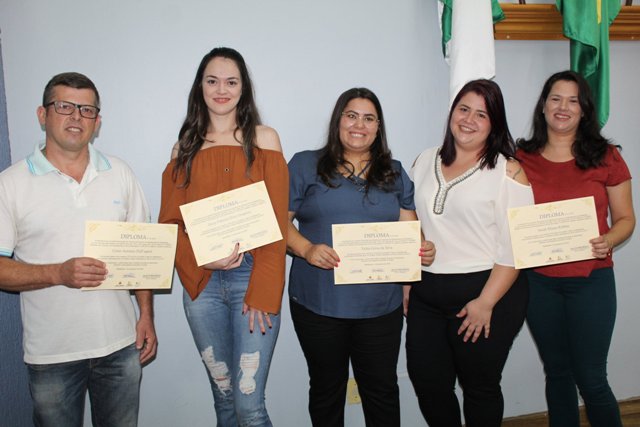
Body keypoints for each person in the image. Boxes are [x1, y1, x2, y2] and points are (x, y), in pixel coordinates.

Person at [0, 72, 157, 427]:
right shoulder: (10, 184)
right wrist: (58, 272)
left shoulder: (120, 173)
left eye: (86, 110)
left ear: (97, 122)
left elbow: (143, 255)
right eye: (65, 107)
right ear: (43, 115)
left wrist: (145, 314)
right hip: (52, 353)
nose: (76, 117)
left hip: (120, 346)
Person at [287, 87, 432, 427]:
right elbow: (278, 223)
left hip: (380, 307)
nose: (359, 125)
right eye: (351, 115)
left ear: (378, 127)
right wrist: (307, 249)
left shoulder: (394, 172)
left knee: (381, 390)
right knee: (326, 389)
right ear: (338, 120)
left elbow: (411, 232)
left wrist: (423, 249)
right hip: (319, 303)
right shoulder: (305, 164)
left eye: (369, 118)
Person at [158, 47, 287, 427]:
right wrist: (201, 256)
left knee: (249, 405)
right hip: (203, 286)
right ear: (200, 87)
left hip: (253, 276)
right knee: (225, 396)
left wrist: (264, 291)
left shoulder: (265, 139)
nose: (221, 89)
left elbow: (277, 222)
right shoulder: (183, 147)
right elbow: (170, 224)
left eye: (231, 81)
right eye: (212, 80)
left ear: (243, 88)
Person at [406, 79, 533, 427]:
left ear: (495, 124)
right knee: (428, 383)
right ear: (452, 112)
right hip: (426, 295)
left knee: (480, 387)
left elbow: (517, 249)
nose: (469, 120)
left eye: (482, 114)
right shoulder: (423, 159)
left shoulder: (509, 171)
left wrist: (485, 303)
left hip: (487, 295)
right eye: (464, 109)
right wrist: (407, 280)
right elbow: (410, 219)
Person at [517, 70, 635, 427]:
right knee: (557, 372)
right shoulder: (520, 157)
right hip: (538, 283)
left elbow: (627, 219)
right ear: (543, 106)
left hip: (592, 281)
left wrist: (608, 240)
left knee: (592, 378)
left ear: (584, 110)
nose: (563, 107)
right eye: (555, 98)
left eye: (573, 100)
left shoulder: (607, 156)